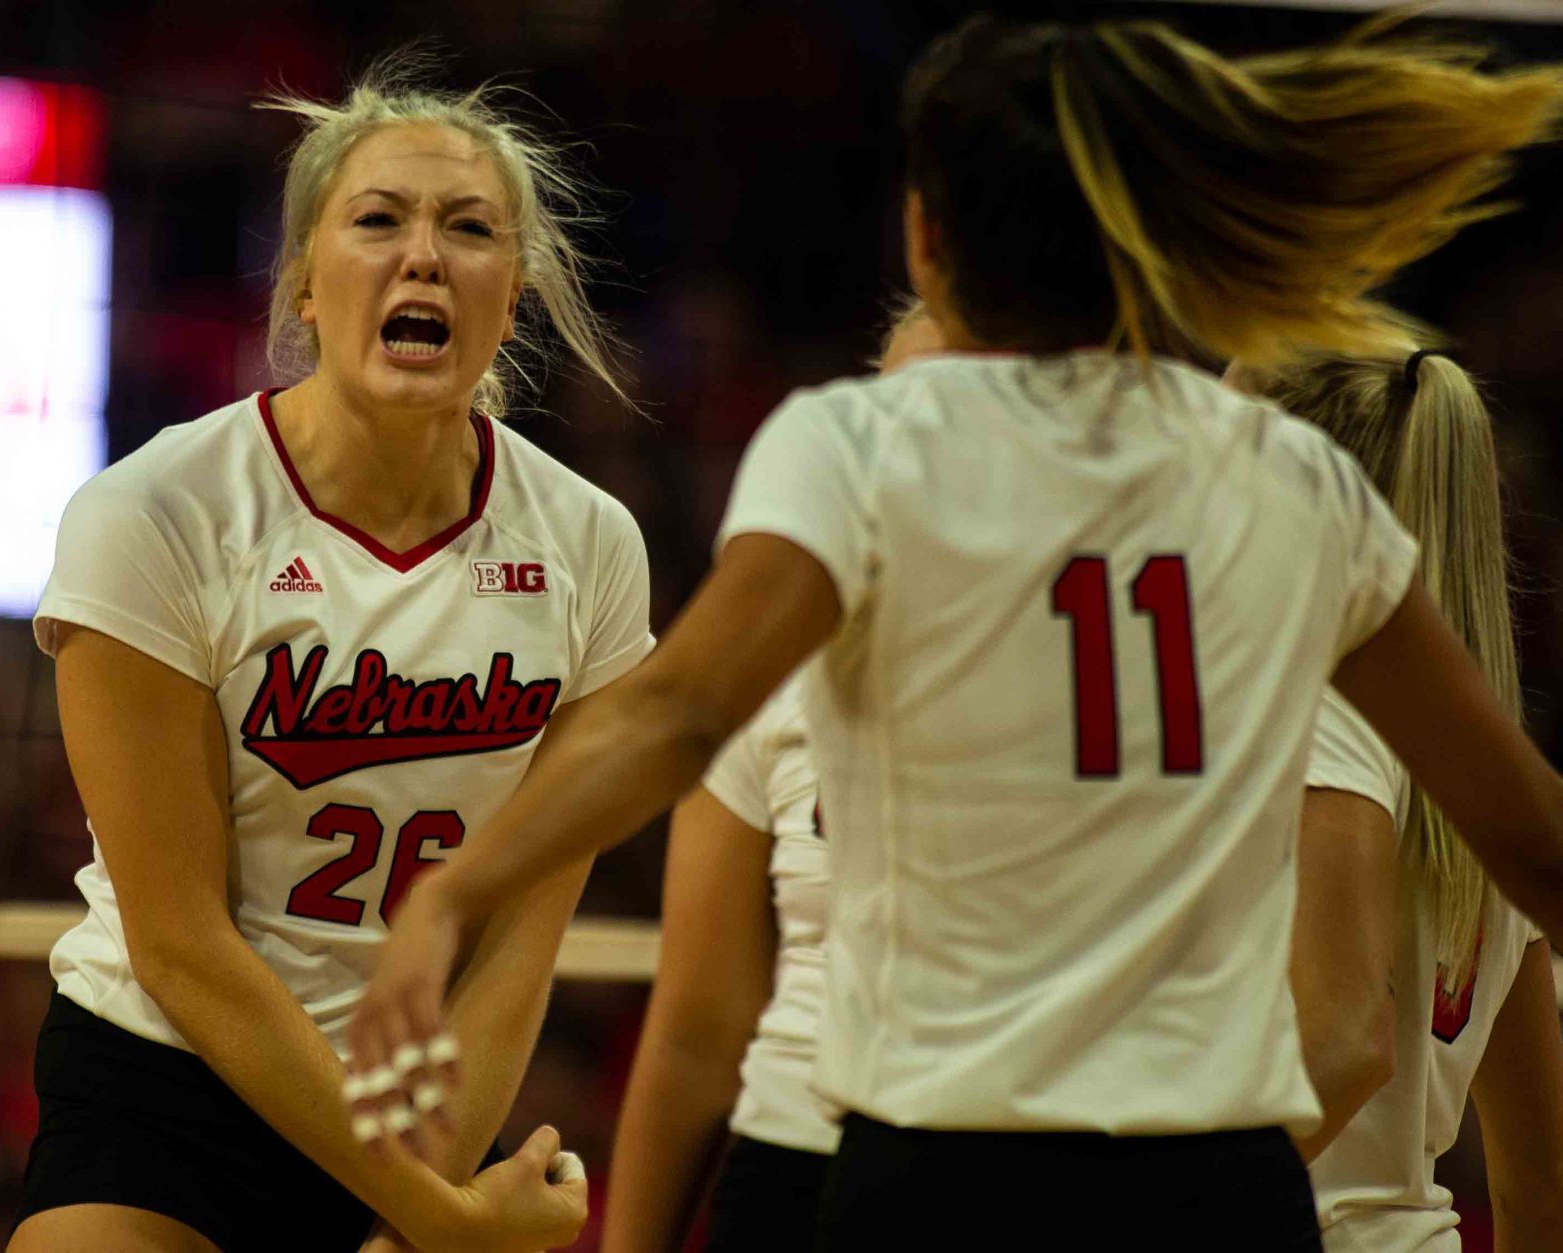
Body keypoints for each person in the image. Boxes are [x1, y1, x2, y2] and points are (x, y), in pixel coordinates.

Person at [351, 18, 1563, 1249]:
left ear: (926, 239)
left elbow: (679, 710)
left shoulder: (862, 446)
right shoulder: (1296, 481)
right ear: (1138, 245)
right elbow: (1528, 835)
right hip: (1213, 1188)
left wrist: (457, 895)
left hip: (941, 1169)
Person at [10, 63, 651, 1253]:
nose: (424, 255)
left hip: (424, 1104)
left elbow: (520, 938)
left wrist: (413, 1203)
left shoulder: (590, 545)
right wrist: (444, 1224)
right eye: (377, 219)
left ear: (511, 296)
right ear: (304, 278)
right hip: (171, 1078)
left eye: (469, 229)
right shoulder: (154, 512)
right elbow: (181, 944)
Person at [601, 304, 943, 1253]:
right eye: (897, 405)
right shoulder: (777, 665)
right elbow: (697, 1032)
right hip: (802, 1152)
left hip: (1025, 1158)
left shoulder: (1108, 661)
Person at [1255, 351, 1563, 1250]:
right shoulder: (1492, 791)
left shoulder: (1318, 715)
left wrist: (1171, 1209)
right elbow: (1543, 1192)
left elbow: (1349, 1039)